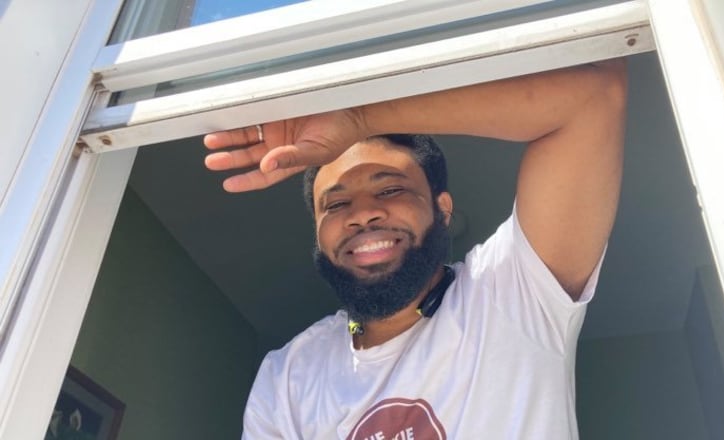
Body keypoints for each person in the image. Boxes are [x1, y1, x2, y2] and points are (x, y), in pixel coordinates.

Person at [203, 59, 627, 439]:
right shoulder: (288, 377)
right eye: (336, 203)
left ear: (442, 210)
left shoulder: (512, 292)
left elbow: (594, 97)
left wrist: (359, 117)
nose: (363, 215)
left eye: (390, 188)